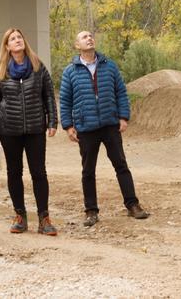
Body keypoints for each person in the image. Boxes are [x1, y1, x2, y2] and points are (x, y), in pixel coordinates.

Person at [59, 30, 149, 226]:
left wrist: (123, 117)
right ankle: (91, 211)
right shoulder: (70, 72)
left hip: (110, 125)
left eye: (91, 36)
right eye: (84, 37)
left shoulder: (110, 66)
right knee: (88, 171)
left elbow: (121, 92)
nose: (89, 38)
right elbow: (65, 101)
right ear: (77, 45)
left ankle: (133, 205)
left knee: (121, 166)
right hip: (86, 127)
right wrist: (68, 126)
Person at [0, 27, 59, 236]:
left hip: (35, 127)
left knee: (39, 172)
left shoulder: (38, 66)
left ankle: (44, 218)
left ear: (24, 42)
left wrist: (53, 121)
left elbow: (48, 95)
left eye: (19, 37)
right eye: (12, 39)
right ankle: (20, 216)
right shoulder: (1, 71)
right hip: (9, 129)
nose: (17, 40)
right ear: (7, 47)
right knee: (14, 172)